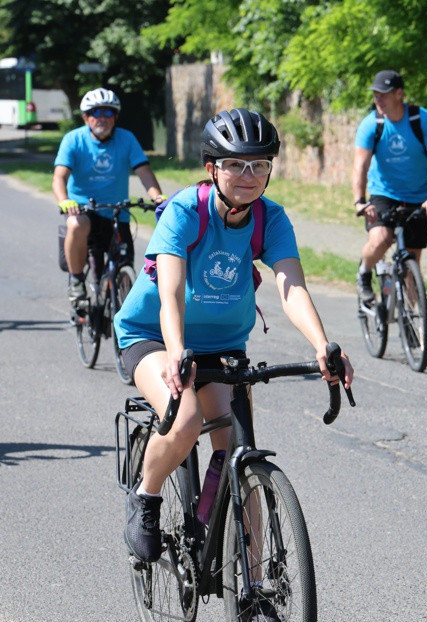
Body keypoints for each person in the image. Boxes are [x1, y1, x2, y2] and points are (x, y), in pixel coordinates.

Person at [113, 108, 354, 572]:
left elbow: (291, 287)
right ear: (212, 169)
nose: (249, 175)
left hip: (224, 345)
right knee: (183, 421)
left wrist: (323, 346)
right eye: (236, 165)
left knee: (238, 452)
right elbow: (170, 294)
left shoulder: (270, 218)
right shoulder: (186, 211)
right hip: (153, 335)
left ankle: (257, 586)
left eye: (260, 165)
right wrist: (178, 350)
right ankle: (146, 496)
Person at [52, 88, 165, 300]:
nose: (102, 118)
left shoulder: (127, 139)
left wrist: (158, 197)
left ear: (116, 117)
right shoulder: (73, 140)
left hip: (117, 213)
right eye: (96, 113)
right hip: (84, 210)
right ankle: (76, 280)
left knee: (124, 269)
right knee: (76, 224)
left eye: (108, 113)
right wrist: (65, 200)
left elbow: (144, 173)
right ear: (86, 117)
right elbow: (59, 176)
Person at [351, 70, 427, 303]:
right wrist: (360, 201)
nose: (378, 100)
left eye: (383, 94)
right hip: (384, 193)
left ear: (399, 93)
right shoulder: (371, 124)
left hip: (419, 197)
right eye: (375, 95)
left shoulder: (422, 120)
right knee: (381, 239)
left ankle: (415, 327)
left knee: (412, 260)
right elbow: (360, 167)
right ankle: (364, 272)